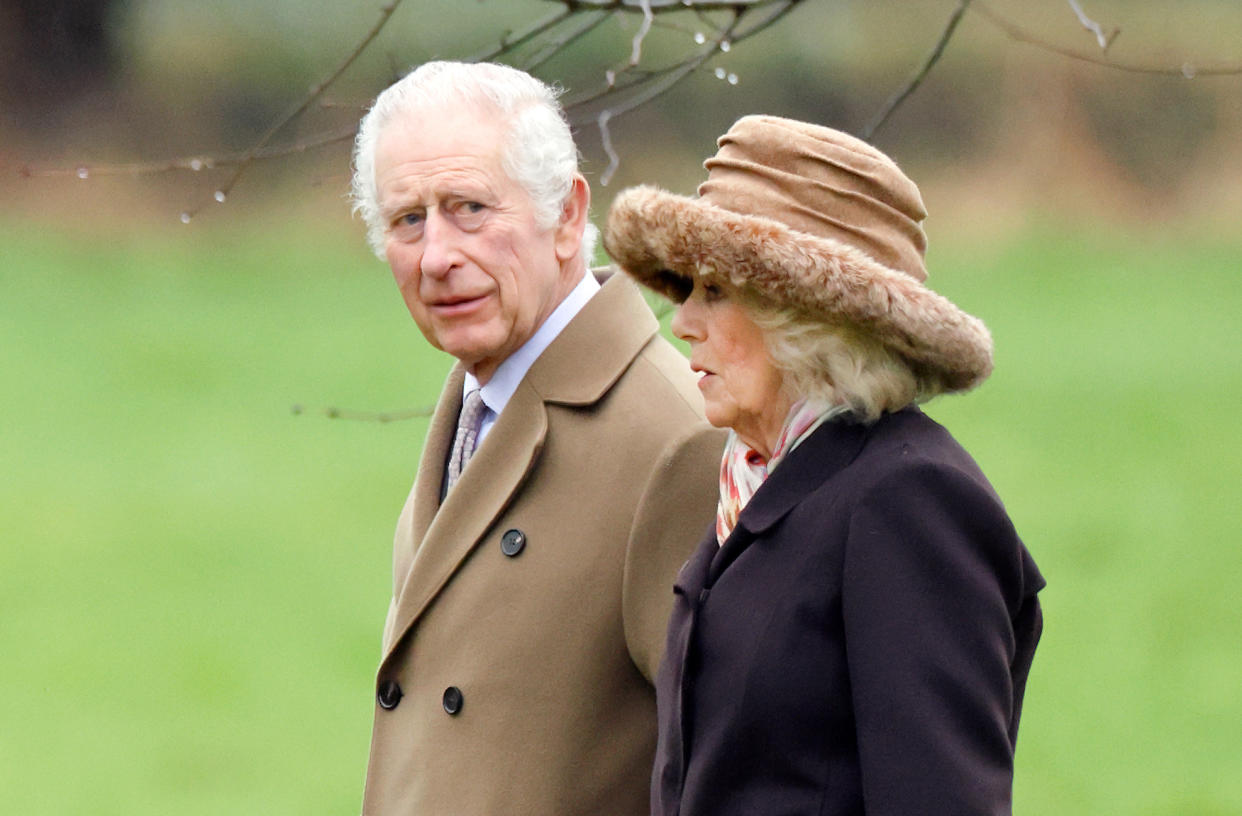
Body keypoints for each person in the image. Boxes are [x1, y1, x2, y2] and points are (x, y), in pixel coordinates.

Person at [604, 114, 1046, 815]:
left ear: (807, 316)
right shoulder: (756, 480)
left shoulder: (908, 498)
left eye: (714, 291)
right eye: (686, 289)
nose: (682, 321)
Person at [348, 61, 723, 815]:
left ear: (566, 215)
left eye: (469, 208)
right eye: (407, 220)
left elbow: (722, 765)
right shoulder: (477, 397)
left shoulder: (676, 438)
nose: (437, 257)